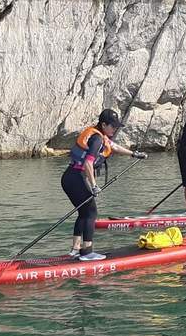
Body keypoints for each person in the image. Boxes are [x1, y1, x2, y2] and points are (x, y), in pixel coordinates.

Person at [62, 108, 146, 260]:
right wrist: (94, 185)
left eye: (116, 126)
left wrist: (133, 154)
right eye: (113, 126)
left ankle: (75, 249)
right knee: (91, 212)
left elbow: (114, 147)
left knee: (84, 212)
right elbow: (88, 163)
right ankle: (87, 252)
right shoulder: (97, 139)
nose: (115, 129)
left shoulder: (100, 136)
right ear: (104, 124)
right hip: (75, 178)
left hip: (70, 178)